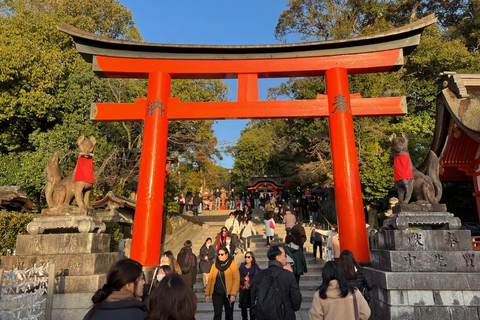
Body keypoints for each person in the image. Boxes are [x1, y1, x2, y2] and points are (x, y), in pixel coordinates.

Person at [251, 245, 302, 320]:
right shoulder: (288, 275)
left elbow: (253, 297)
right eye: (284, 255)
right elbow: (296, 299)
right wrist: (290, 308)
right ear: (278, 258)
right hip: (285, 314)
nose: (286, 257)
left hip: (263, 315)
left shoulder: (260, 275)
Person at [205, 247, 240, 320]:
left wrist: (233, 294)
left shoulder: (232, 264)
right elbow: (210, 279)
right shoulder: (214, 265)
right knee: (217, 315)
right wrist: (207, 294)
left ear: (226, 255)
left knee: (229, 315)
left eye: (222, 254)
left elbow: (236, 279)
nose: (220, 256)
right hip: (217, 294)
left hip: (229, 294)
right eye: (218, 254)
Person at [239, 251, 261, 320]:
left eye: (248, 257)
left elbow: (256, 276)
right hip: (244, 289)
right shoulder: (242, 266)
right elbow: (239, 276)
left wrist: (250, 283)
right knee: (244, 305)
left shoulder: (255, 266)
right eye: (246, 257)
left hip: (252, 289)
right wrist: (244, 282)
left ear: (252, 258)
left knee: (252, 306)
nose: (247, 258)